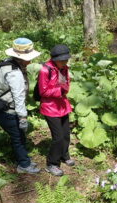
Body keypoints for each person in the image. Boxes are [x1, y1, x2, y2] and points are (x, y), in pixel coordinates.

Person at [0, 37, 41, 174]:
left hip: (1, 107)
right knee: (18, 137)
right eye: (28, 58)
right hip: (6, 110)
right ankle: (24, 165)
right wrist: (23, 118)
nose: (30, 61)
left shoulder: (7, 64)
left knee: (19, 136)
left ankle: (24, 159)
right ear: (21, 58)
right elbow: (18, 97)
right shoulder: (14, 73)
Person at [38, 44, 75, 176]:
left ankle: (64, 155)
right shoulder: (45, 70)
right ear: (54, 59)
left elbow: (66, 84)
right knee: (58, 137)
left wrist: (64, 89)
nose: (64, 62)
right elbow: (43, 91)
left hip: (63, 105)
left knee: (66, 134)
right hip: (49, 107)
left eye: (66, 60)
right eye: (62, 60)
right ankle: (52, 163)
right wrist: (59, 90)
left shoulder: (64, 68)